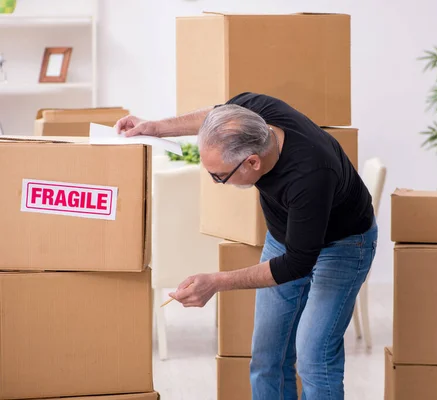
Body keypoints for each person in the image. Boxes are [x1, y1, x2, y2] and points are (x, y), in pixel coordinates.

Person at [115, 92, 378, 400]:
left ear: (253, 161)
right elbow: (214, 117)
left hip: (344, 245)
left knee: (314, 357)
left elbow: (296, 265)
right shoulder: (254, 111)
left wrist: (215, 282)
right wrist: (155, 127)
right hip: (286, 239)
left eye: (219, 176)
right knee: (267, 356)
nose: (216, 182)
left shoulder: (311, 175)